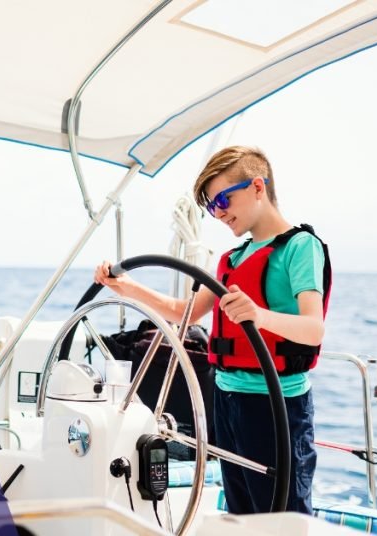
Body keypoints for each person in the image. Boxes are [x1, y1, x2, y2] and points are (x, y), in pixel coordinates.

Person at [94, 146, 331, 514]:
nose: (218, 213)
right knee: (241, 510)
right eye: (211, 206)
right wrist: (125, 288)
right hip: (225, 399)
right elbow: (182, 313)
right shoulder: (232, 259)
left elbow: (314, 329)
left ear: (257, 187)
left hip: (276, 404)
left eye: (223, 199)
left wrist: (259, 316)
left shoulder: (300, 248)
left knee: (282, 515)